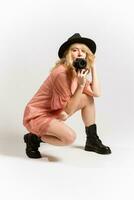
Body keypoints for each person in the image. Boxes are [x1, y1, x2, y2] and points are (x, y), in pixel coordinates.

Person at [23, 33, 111, 159]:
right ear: (68, 55)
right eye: (75, 50)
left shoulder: (76, 71)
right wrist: (80, 86)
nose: (80, 54)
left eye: (84, 51)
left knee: (88, 98)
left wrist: (93, 67)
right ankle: (33, 138)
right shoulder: (61, 74)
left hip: (57, 111)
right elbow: (67, 110)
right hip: (37, 115)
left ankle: (92, 139)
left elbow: (96, 93)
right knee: (69, 138)